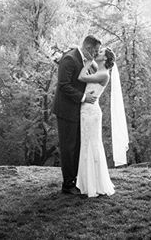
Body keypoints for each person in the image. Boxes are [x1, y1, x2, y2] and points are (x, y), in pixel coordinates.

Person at [53, 35, 101, 195]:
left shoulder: (82, 58)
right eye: (95, 51)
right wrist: (84, 97)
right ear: (88, 48)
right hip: (66, 110)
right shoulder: (69, 59)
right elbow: (64, 85)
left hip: (78, 110)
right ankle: (67, 185)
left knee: (77, 146)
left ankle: (75, 180)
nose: (96, 54)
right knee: (68, 148)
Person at [76, 47, 117, 198]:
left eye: (100, 53)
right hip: (87, 109)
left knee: (92, 145)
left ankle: (94, 184)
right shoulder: (98, 70)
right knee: (86, 144)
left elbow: (81, 77)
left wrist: (87, 63)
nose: (97, 54)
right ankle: (87, 182)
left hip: (91, 112)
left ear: (105, 59)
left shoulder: (103, 74)